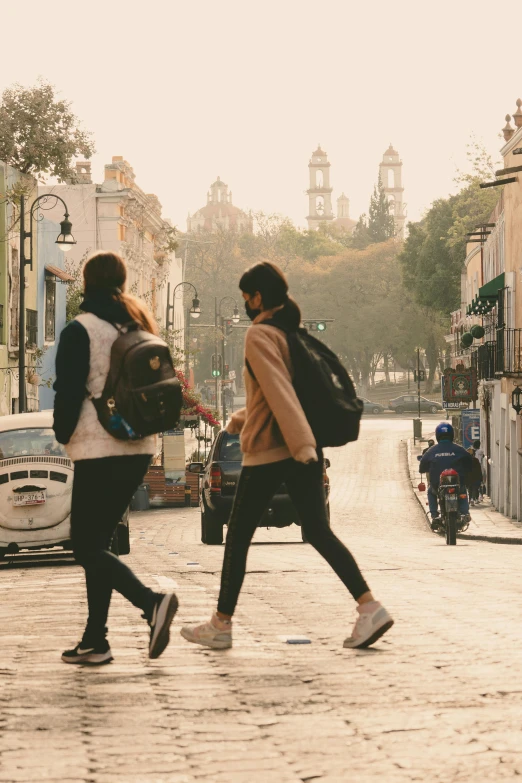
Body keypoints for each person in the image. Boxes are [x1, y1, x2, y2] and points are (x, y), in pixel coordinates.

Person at [180, 261, 393, 651]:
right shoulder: (287, 331)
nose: (245, 305)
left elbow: (280, 392)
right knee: (316, 531)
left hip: (273, 451)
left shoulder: (260, 334)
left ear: (259, 297)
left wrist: (299, 446)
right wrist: (241, 419)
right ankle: (369, 606)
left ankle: (221, 624)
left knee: (238, 535)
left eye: (247, 298)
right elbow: (278, 393)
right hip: (297, 445)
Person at [53, 251, 178, 666]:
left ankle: (150, 603)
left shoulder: (81, 329)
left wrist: (61, 433)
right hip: (138, 446)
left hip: (98, 447)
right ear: (122, 282)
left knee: (83, 545)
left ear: (86, 283)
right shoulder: (138, 324)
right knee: (99, 545)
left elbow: (69, 390)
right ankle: (95, 641)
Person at [419, 422, 473, 531]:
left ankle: (434, 516)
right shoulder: (458, 449)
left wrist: (426, 469)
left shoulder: (431, 451)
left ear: (437, 436)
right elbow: (469, 461)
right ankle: (465, 513)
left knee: (431, 492)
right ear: (452, 434)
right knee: (462, 492)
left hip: (438, 485)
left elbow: (422, 466)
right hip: (458, 484)